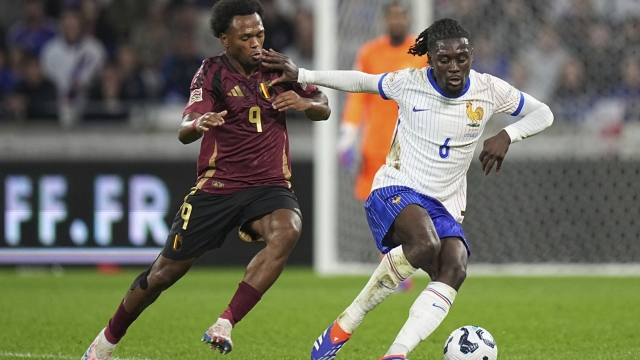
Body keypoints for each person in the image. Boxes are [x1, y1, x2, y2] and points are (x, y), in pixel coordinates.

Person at [262, 17, 553, 360]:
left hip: (444, 203)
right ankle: (345, 323)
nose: (454, 67)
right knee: (424, 242)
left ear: (471, 56)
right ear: (429, 59)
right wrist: (303, 75)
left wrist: (508, 134)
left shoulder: (489, 89)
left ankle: (396, 354)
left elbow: (544, 113)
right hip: (395, 188)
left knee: (455, 267)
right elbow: (360, 81)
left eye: (462, 58)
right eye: (444, 60)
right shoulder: (408, 82)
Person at [81, 1, 330, 359]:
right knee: (163, 275)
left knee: (288, 228)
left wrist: (307, 104)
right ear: (224, 39)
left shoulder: (280, 67)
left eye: (260, 33)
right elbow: (185, 130)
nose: (256, 42)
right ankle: (105, 342)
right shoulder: (211, 72)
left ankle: (225, 322)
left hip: (269, 185)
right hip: (219, 187)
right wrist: (199, 123)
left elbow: (323, 103)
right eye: (246, 37)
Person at [339, 1, 425, 293]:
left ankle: (406, 261)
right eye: (392, 16)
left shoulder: (422, 53)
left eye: (402, 16)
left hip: (413, 144)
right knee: (378, 207)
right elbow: (357, 98)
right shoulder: (370, 54)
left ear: (408, 20)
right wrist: (347, 138)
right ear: (385, 21)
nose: (397, 21)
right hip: (376, 144)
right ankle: (392, 263)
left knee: (411, 205)